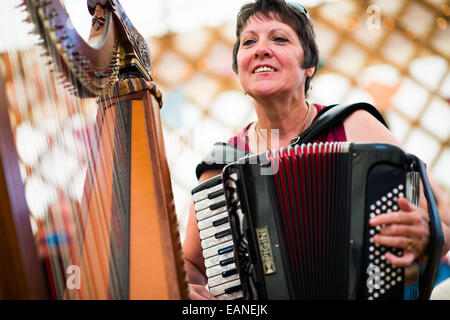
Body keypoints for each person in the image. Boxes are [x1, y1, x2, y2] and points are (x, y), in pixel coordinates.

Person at [182, 0, 450, 300]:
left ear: (309, 65)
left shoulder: (356, 127)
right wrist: (188, 290)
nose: (261, 49)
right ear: (239, 69)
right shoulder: (223, 163)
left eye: (279, 38)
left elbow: (442, 220)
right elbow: (192, 265)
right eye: (249, 42)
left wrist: (428, 236)